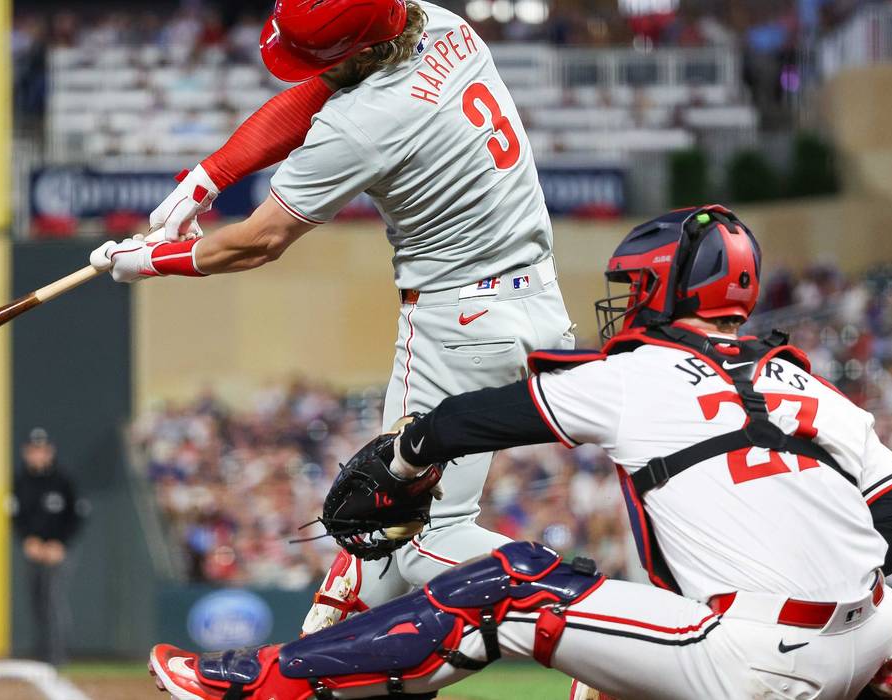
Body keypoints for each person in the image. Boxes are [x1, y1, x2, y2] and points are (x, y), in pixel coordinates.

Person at [148, 206, 892, 700]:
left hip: (756, 664)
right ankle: (883, 677)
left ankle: (258, 685)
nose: (627, 303)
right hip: (872, 634)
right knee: (612, 675)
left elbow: (468, 420)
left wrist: (405, 456)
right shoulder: (815, 389)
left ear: (662, 292)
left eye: (636, 287)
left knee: (511, 584)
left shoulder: (637, 375)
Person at [91, 0, 576, 640]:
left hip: (458, 323)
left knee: (418, 542)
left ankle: (581, 606)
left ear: (356, 52)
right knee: (383, 532)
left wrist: (151, 260)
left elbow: (258, 241)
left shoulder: (364, 122)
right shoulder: (435, 22)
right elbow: (316, 92)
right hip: (534, 300)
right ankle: (319, 658)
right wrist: (211, 175)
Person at [11, 427, 84, 667]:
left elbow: (77, 515)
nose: (38, 455)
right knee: (37, 602)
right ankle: (42, 654)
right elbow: (15, 515)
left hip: (58, 551)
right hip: (33, 550)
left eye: (42, 450)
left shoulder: (63, 480)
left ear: (50, 452)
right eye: (34, 450)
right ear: (26, 453)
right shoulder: (20, 482)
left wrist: (60, 543)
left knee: (54, 599)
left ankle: (58, 655)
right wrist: (28, 539)